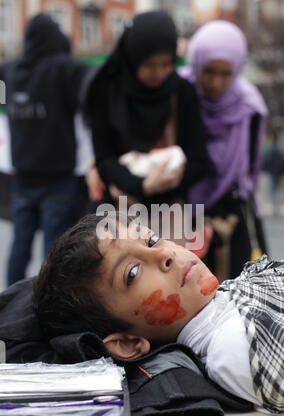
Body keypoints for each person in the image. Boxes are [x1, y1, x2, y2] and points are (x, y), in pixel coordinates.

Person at [34, 213, 284, 416]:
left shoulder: (224, 303)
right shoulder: (232, 348)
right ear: (127, 343)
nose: (164, 254)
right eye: (132, 273)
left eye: (151, 240)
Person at [84, 11, 212, 222]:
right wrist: (140, 185)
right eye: (150, 64)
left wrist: (162, 183)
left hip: (168, 213)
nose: (159, 73)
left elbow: (199, 161)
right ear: (134, 58)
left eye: (166, 64)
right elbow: (104, 158)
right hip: (116, 212)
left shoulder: (181, 91)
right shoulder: (107, 90)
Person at [0, 14, 91, 286]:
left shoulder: (11, 71)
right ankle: (47, 311)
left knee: (20, 244)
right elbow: (93, 78)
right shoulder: (60, 69)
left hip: (23, 177)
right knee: (55, 251)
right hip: (57, 179)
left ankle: (7, 304)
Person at [179, 21, 269, 280]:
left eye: (225, 73)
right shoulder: (180, 93)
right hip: (182, 210)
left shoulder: (249, 106)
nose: (215, 82)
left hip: (231, 214)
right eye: (208, 71)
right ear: (196, 64)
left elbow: (250, 169)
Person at [263, 131, 284, 216]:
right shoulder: (277, 148)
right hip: (275, 172)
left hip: (273, 172)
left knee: (273, 191)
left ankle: (276, 209)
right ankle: (276, 208)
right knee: (274, 190)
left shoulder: (273, 148)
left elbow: (269, 161)